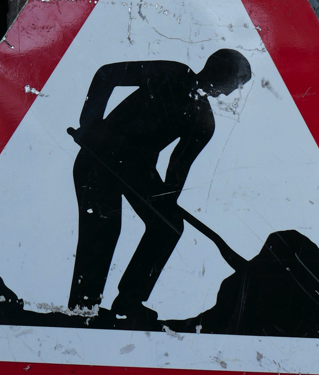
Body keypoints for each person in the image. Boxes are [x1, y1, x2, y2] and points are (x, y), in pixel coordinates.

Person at [67, 49, 252, 325]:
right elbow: (107, 74)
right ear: (217, 70)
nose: (226, 94)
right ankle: (83, 308)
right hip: (100, 153)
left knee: (169, 225)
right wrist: (90, 123)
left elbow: (178, 170)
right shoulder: (172, 73)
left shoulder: (203, 122)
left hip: (136, 170)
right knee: (104, 226)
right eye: (231, 84)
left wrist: (168, 198)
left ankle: (129, 301)